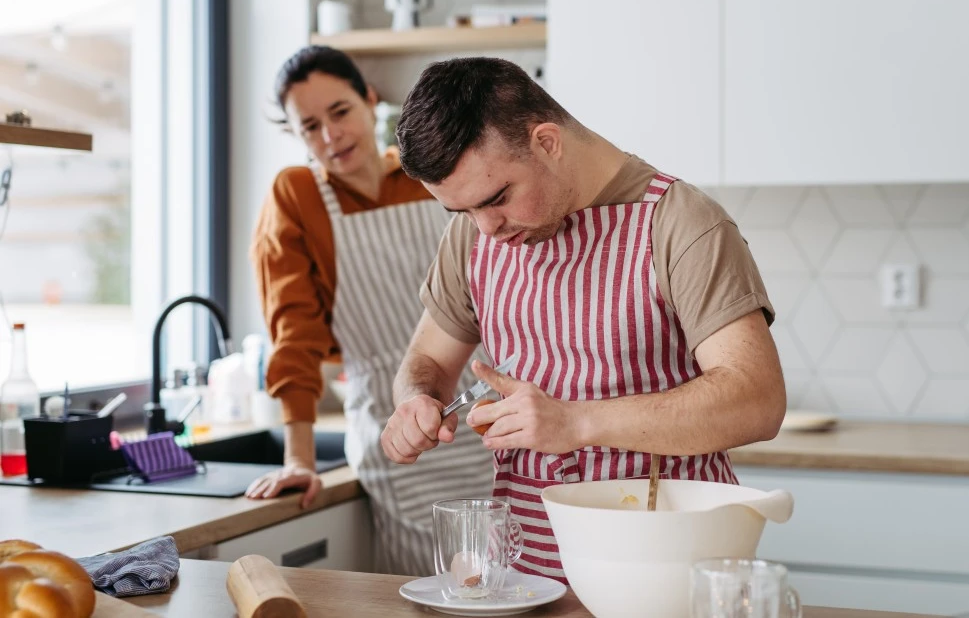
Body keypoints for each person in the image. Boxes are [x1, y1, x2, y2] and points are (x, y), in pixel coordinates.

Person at [381, 57, 786, 583]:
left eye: (497, 198)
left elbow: (757, 399)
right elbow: (428, 361)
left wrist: (576, 422)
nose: (486, 228)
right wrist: (416, 399)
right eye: (463, 212)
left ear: (547, 142)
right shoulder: (476, 236)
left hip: (666, 567)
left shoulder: (680, 223)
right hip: (525, 577)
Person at [246, 46, 494, 575]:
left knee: (518, 585)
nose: (330, 135)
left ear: (369, 100)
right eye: (310, 126)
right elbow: (294, 335)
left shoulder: (429, 176)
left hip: (488, 415)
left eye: (339, 111)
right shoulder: (297, 197)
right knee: (434, 593)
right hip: (398, 437)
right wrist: (299, 460)